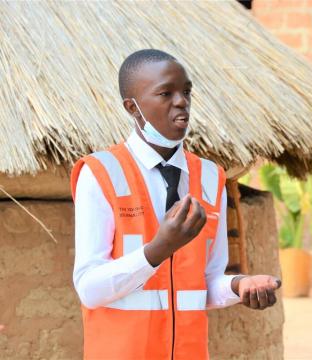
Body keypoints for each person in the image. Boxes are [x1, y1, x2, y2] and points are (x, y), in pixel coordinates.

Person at [71, 49, 281, 360]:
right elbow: (89, 288)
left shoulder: (210, 178)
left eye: (185, 92)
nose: (181, 101)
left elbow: (205, 283)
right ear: (133, 107)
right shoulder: (101, 173)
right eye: (165, 93)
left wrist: (239, 286)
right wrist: (158, 249)